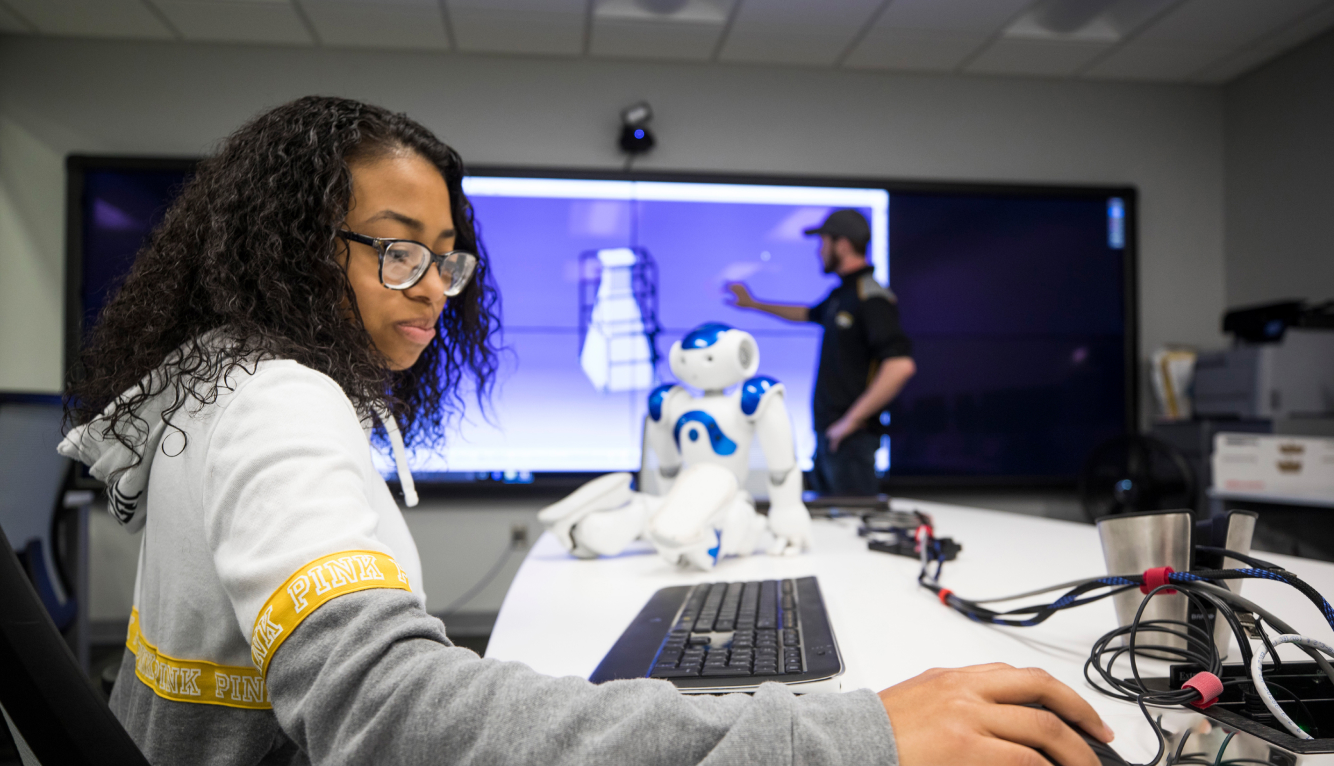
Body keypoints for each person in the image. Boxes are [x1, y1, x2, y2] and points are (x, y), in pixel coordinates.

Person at [60, 96, 1111, 766]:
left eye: (446, 257)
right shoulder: (281, 403)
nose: (432, 289)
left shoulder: (218, 384)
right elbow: (391, 716)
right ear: (291, 245)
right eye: (395, 251)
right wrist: (849, 735)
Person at [726, 208, 915, 497]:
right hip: (832, 437)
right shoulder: (842, 295)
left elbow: (900, 366)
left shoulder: (871, 297)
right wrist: (753, 303)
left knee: (853, 527)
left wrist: (849, 423)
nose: (819, 251)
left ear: (842, 244)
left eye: (823, 242)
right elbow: (806, 313)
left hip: (852, 440)